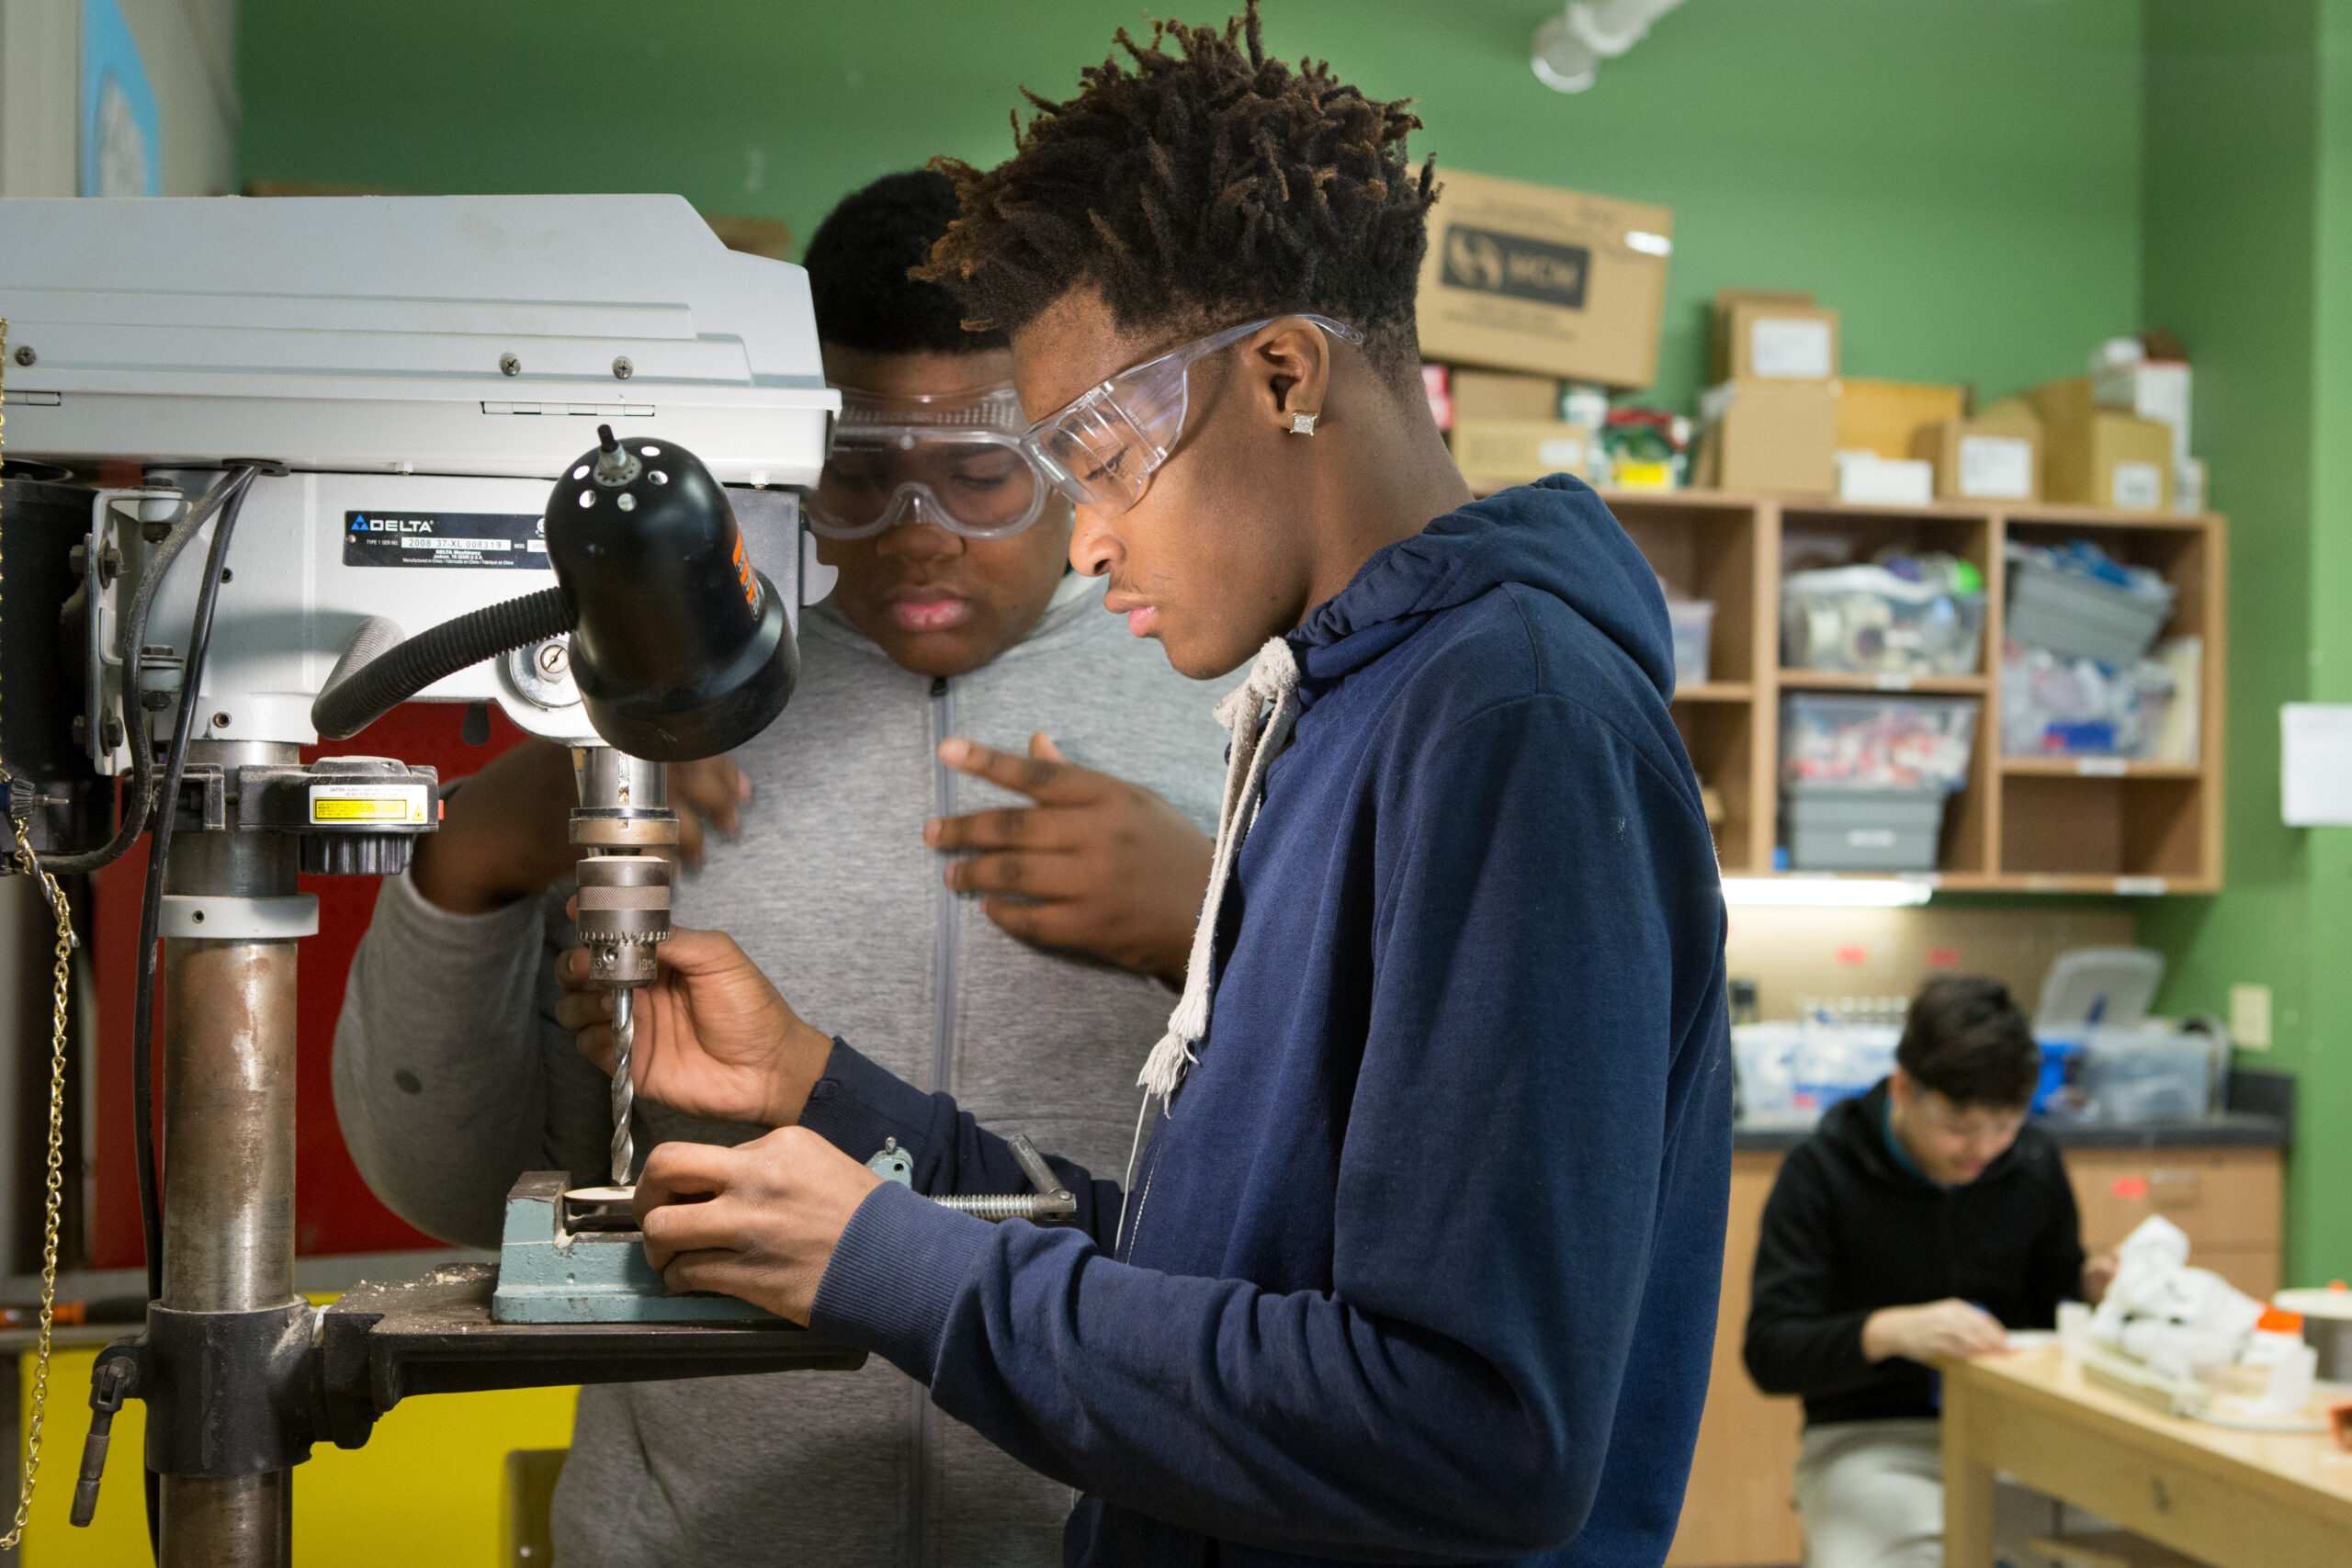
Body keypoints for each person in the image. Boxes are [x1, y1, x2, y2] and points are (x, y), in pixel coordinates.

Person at [554, 9, 1734, 1564]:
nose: (1087, 537)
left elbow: (1474, 1428)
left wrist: (893, 1268)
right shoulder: (1342, 704)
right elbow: (1213, 1276)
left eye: (1100, 455)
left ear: (1285, 374)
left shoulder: (1513, 725)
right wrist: (822, 1092)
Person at [332, 169, 1227, 1564]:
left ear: (1065, 448)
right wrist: (475, 860)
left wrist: (1202, 921)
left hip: (1111, 1527)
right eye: (859, 476)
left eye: (982, 473)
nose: (920, 529)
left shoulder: (1217, 691)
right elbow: (447, 1189)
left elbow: (1347, 1195)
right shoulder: (663, 688)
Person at [1744, 976, 2117, 1568]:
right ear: (1903, 1088)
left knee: (2124, 1543)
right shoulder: (1821, 1171)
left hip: (2019, 1435)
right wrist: (1891, 1331)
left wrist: (2092, 1293)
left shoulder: (2034, 1164)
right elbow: (1771, 1352)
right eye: (1961, 1127)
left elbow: (2052, 1312)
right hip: (1870, 1440)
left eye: (2004, 1126)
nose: (1983, 1149)